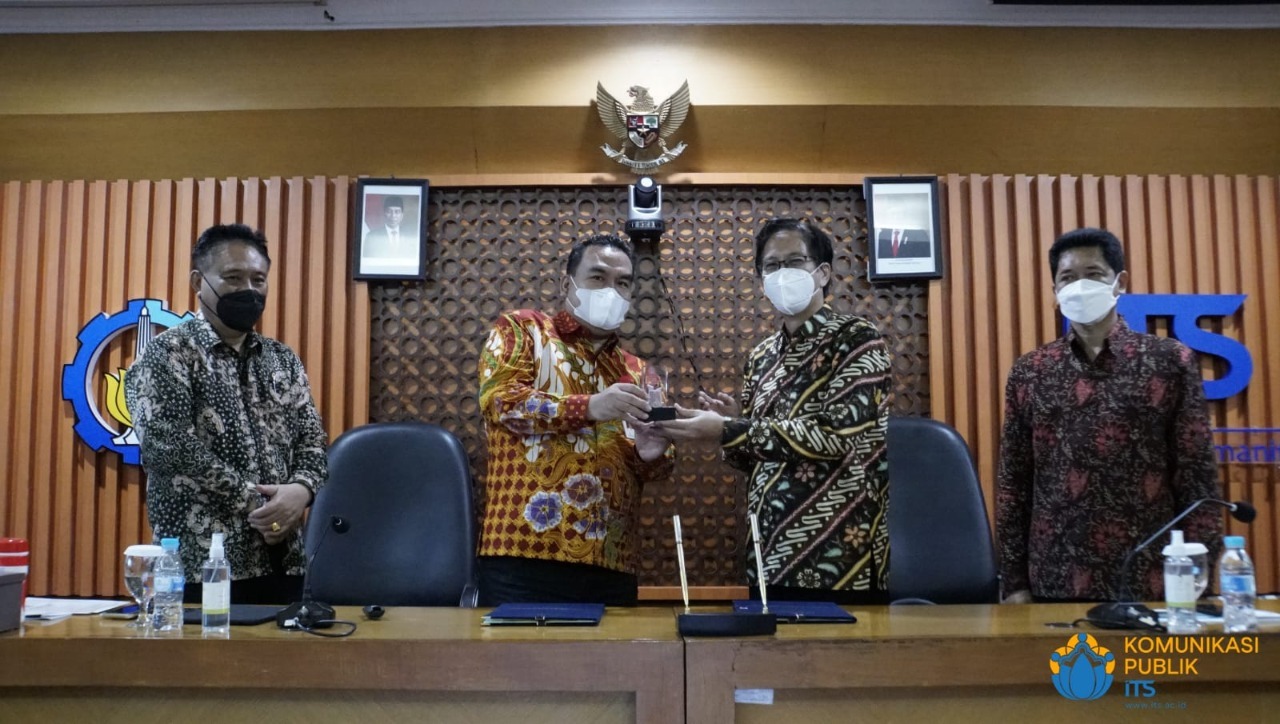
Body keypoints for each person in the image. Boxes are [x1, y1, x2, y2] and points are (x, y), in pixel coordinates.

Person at [657, 218, 893, 604]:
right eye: (771, 266)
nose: (782, 274)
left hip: (842, 551)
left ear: (822, 273)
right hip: (769, 552)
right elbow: (756, 459)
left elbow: (837, 439)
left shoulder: (857, 338)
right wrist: (735, 423)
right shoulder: (761, 356)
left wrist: (730, 429)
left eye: (795, 261)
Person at [996, 227, 1222, 604]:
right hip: (1055, 578)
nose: (1079, 286)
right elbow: (1013, 484)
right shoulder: (1031, 371)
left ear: (1119, 283)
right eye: (1067, 278)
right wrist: (1014, 582)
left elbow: (1196, 476)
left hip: (1153, 578)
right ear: (1055, 292)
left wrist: (1202, 579)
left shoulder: (1168, 361)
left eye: (1093, 274)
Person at [125, 223, 328, 605]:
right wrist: (266, 507)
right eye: (233, 278)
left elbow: (312, 441)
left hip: (284, 563)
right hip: (201, 567)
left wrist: (301, 491)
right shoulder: (168, 354)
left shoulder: (282, 358)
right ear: (199, 282)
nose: (248, 290)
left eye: (258, 279)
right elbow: (168, 448)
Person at [475, 233, 673, 606]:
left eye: (623, 282)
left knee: (609, 667)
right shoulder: (523, 330)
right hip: (523, 551)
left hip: (612, 560)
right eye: (598, 278)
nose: (611, 291)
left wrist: (653, 453)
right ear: (567, 283)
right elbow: (502, 403)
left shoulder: (638, 371)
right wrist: (590, 407)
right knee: (513, 664)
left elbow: (658, 470)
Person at [362, 195, 419, 260]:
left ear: (402, 215)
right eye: (389, 211)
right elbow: (366, 260)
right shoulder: (372, 236)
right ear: (384, 213)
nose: (393, 216)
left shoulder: (410, 236)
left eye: (397, 212)